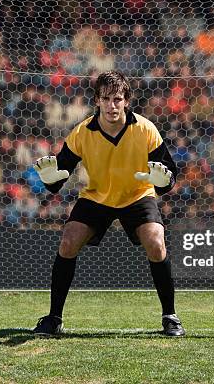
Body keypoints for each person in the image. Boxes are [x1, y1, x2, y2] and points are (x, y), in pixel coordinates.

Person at [31, 70, 184, 337]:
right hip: (96, 197)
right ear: (97, 101)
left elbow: (169, 178)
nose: (112, 105)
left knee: (156, 241)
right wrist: (49, 180)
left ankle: (170, 316)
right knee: (68, 241)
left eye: (117, 99)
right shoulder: (82, 132)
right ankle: (54, 318)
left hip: (137, 195)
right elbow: (58, 177)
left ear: (126, 101)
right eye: (106, 99)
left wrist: (162, 182)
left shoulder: (145, 129)